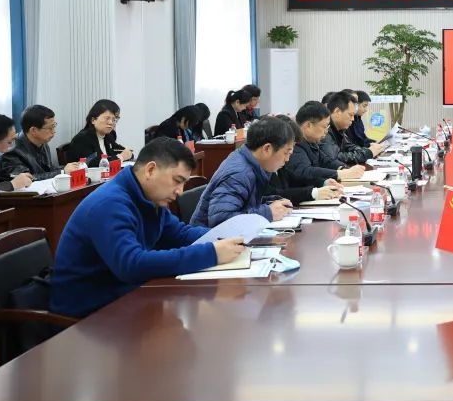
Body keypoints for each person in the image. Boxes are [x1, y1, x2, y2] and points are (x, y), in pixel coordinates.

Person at [50, 138, 244, 318]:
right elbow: (131, 264)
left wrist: (229, 237)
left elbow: (180, 234)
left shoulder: (148, 197)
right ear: (150, 170)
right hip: (88, 315)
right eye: (177, 181)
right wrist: (211, 253)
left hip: (127, 298)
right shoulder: (110, 204)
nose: (180, 191)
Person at [190, 116, 297, 227]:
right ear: (267, 149)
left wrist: (271, 203)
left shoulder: (250, 161)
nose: (287, 159)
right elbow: (221, 221)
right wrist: (268, 212)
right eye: (286, 153)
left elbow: (244, 203)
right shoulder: (239, 174)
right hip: (210, 240)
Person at [268, 114, 345, 204]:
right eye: (287, 152)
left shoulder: (278, 163)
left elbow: (293, 179)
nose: (288, 159)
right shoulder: (263, 167)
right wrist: (313, 193)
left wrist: (323, 182)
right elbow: (272, 194)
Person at [287, 101, 365, 183]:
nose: (326, 131)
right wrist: (340, 174)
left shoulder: (311, 141)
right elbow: (305, 171)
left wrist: (343, 168)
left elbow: (326, 161)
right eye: (324, 127)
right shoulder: (294, 143)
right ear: (308, 125)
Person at [0, 105, 83, 181]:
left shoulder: (42, 142)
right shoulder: (11, 149)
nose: (54, 131)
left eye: (54, 126)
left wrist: (70, 167)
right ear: (33, 130)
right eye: (50, 128)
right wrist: (62, 172)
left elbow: (48, 169)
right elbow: (27, 179)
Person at [64, 100, 133, 167]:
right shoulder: (82, 139)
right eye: (107, 118)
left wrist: (128, 154)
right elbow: (92, 164)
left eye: (114, 119)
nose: (111, 122)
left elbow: (120, 151)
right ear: (93, 120)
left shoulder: (110, 135)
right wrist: (121, 157)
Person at [321, 91, 383, 167]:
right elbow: (335, 157)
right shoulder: (324, 128)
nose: (353, 119)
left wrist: (368, 150)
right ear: (337, 112)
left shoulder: (339, 128)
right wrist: (368, 153)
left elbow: (348, 146)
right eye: (350, 115)